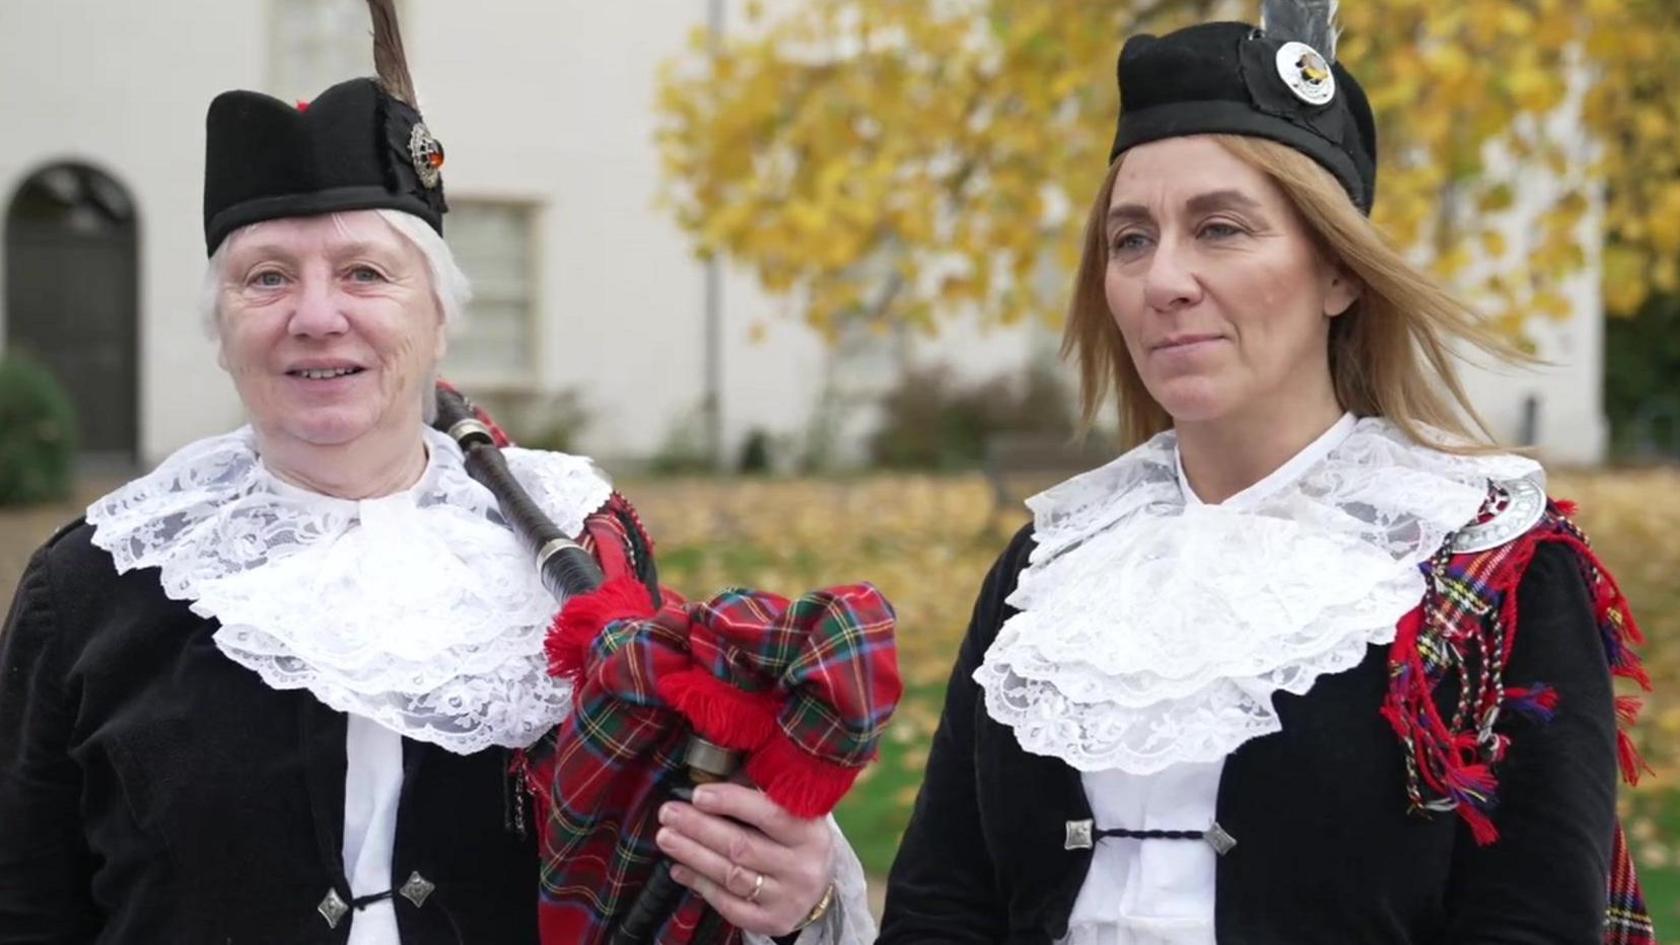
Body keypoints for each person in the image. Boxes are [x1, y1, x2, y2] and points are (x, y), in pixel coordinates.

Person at [0, 6, 872, 943]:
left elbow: (664, 874)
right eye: (266, 278)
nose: (318, 315)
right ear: (222, 330)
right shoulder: (90, 587)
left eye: (367, 273)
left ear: (439, 319)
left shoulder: (577, 552)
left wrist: (798, 893)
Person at [878, 7, 1653, 945]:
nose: (1165, 278)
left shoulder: (1483, 563)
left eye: (1219, 228)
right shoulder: (1051, 563)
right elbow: (940, 902)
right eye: (1131, 239)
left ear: (1337, 273)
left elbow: (1528, 922)